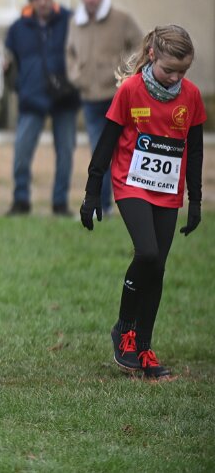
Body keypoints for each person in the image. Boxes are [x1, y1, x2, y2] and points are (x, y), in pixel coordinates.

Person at [80, 24, 205, 379]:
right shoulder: (131, 90)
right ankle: (124, 329)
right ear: (152, 55)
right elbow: (106, 142)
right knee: (147, 253)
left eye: (182, 71)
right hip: (130, 183)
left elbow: (195, 151)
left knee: (158, 267)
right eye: (169, 70)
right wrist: (92, 192)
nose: (175, 78)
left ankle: (145, 347)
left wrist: (195, 201)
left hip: (167, 191)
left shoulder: (192, 96)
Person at [66, 0, 143, 217]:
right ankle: (104, 205)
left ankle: (133, 203)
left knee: (125, 153)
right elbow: (69, 53)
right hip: (89, 99)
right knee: (99, 153)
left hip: (116, 97)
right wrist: (75, 75)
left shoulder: (122, 19)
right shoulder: (75, 22)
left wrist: (124, 72)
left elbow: (141, 46)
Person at [5, 0, 78, 216]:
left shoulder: (70, 20)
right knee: (21, 153)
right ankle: (21, 201)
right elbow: (10, 64)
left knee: (65, 153)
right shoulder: (17, 28)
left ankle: (60, 203)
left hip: (65, 98)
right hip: (31, 98)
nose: (42, 1)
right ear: (31, 0)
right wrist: (19, 86)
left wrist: (74, 81)